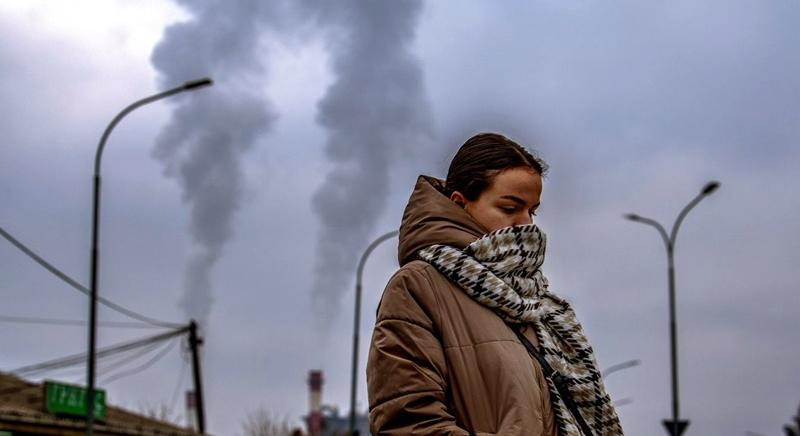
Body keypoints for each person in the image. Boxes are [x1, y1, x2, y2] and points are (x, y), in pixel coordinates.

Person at [366, 133, 623, 435]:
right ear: (460, 204)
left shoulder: (537, 302)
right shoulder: (416, 288)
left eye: (532, 210)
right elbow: (408, 421)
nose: (526, 224)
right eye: (509, 208)